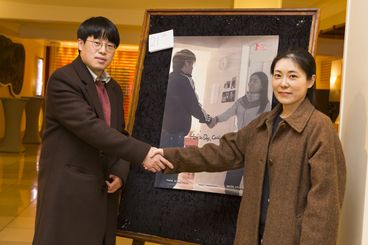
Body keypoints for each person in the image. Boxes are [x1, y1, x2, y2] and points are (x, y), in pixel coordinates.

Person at [156, 49, 346, 244]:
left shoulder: (320, 128)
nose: (283, 83)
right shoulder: (262, 123)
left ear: (310, 81)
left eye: (293, 76)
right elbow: (220, 153)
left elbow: (325, 205)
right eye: (278, 75)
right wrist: (165, 156)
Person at [32, 16, 172, 245]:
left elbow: (119, 132)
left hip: (102, 191)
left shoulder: (113, 88)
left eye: (110, 46)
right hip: (69, 190)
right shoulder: (63, 80)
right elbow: (92, 129)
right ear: (80, 44)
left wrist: (120, 171)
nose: (103, 51)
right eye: (96, 43)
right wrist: (144, 153)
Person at [155, 49, 212, 188]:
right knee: (170, 174)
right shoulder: (183, 80)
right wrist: (208, 119)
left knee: (160, 169)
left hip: (166, 131)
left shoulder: (171, 78)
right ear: (186, 63)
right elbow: (193, 105)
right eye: (192, 64)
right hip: (174, 134)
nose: (192, 67)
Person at [210, 71, 270, 195]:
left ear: (262, 86)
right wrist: (215, 119)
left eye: (255, 81)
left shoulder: (266, 105)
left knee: (251, 185)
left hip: (255, 148)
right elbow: (228, 113)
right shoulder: (241, 101)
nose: (250, 83)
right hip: (238, 146)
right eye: (250, 80)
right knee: (230, 182)